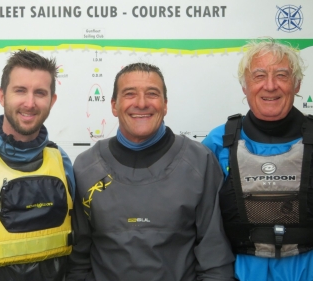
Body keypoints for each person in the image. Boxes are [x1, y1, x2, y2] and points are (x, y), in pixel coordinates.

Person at [66, 63, 235, 281]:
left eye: (152, 94)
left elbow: (215, 258)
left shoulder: (199, 162)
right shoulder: (85, 167)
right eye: (130, 94)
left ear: (165, 105)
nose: (142, 103)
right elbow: (78, 261)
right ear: (114, 105)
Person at [202, 39, 313, 281]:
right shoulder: (217, 141)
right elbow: (195, 219)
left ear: (297, 84)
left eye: (282, 75)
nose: (270, 86)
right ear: (245, 86)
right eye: (259, 76)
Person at [0, 50, 75, 281]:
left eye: (40, 93)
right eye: (20, 90)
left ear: (52, 100)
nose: (29, 103)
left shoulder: (61, 160)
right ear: (2, 96)